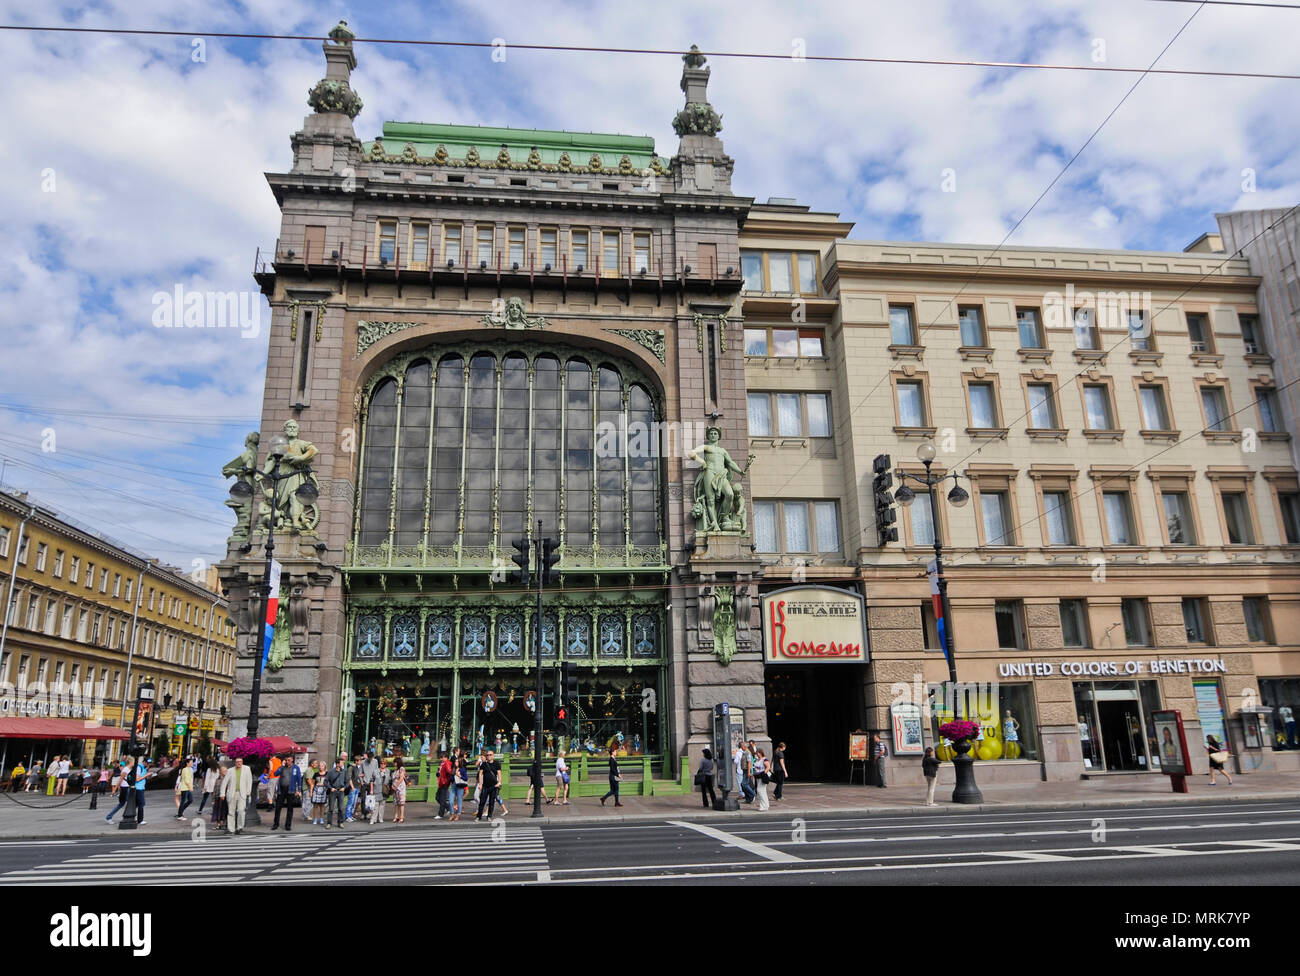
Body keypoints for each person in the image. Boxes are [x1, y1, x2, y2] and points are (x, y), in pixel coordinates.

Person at [221, 756, 253, 834]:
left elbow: (249, 781)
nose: (239, 763)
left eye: (240, 761)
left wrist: (248, 792)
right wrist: (222, 793)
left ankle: (240, 828)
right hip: (232, 793)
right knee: (231, 811)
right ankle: (231, 829)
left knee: (241, 811)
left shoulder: (247, 769)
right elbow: (224, 782)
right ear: (235, 763)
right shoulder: (230, 770)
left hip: (242, 793)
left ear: (242, 762)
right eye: (237, 762)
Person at [271, 755, 303, 831]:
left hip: (291, 789)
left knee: (290, 808)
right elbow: (275, 774)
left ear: (292, 760)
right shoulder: (282, 767)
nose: (287, 761)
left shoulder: (296, 768)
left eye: (288, 760)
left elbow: (299, 779)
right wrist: (281, 767)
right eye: (286, 760)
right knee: (278, 807)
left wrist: (298, 790)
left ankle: (288, 825)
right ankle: (276, 824)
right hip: (281, 789)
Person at [475, 750, 501, 821]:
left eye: (490, 755)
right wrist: (480, 784)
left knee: (491, 802)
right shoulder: (484, 764)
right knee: (482, 802)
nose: (489, 756)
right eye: (488, 755)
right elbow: (480, 774)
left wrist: (499, 782)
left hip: (494, 786)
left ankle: (489, 816)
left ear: (493, 756)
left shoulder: (497, 763)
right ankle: (478, 816)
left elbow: (499, 773)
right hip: (485, 786)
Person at [325, 756, 349, 828]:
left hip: (341, 791)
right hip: (333, 790)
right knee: (331, 808)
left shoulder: (344, 771)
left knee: (341, 808)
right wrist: (330, 788)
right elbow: (325, 782)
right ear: (337, 764)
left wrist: (344, 788)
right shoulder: (331, 772)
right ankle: (329, 823)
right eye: (342, 763)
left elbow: (347, 781)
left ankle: (340, 822)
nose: (343, 764)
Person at [368, 758, 391, 825]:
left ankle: (380, 818)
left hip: (384, 790)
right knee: (375, 806)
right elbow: (371, 781)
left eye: (384, 764)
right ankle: (373, 819)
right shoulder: (375, 771)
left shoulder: (388, 771)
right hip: (376, 790)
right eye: (381, 763)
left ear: (386, 764)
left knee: (382, 805)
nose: (383, 765)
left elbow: (389, 780)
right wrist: (371, 790)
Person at [345, 753, 363, 823]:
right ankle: (347, 816)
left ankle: (351, 815)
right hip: (353, 787)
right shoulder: (351, 768)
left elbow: (357, 776)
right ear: (356, 761)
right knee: (350, 802)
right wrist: (352, 787)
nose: (360, 762)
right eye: (359, 761)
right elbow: (349, 778)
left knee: (354, 802)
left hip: (357, 787)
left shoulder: (357, 768)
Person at [451, 756, 468, 821]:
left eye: (457, 761)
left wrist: (459, 775)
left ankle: (458, 815)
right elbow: (451, 779)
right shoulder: (453, 769)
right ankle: (452, 814)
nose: (455, 762)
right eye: (455, 761)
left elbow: (466, 778)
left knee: (459, 800)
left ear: (460, 762)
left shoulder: (462, 769)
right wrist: (453, 774)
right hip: (453, 785)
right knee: (451, 800)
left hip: (460, 786)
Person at [435, 752, 452, 819]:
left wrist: (445, 779)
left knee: (442, 799)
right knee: (438, 797)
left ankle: (440, 814)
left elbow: (449, 772)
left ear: (446, 757)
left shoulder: (447, 763)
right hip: (442, 782)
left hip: (444, 783)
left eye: (442, 757)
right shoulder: (443, 764)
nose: (441, 759)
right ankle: (448, 808)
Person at [392, 759, 408, 824]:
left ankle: (401, 816)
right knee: (396, 802)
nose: (394, 764)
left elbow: (401, 778)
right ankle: (396, 816)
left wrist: (396, 785)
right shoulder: (395, 770)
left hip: (400, 788)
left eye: (395, 762)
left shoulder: (401, 769)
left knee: (401, 803)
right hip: (395, 788)